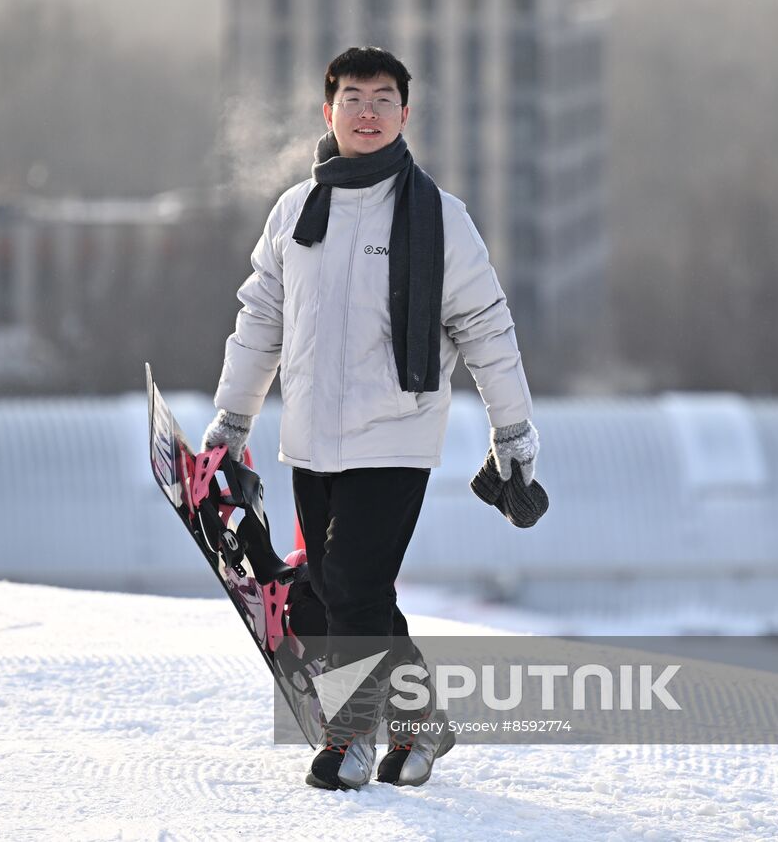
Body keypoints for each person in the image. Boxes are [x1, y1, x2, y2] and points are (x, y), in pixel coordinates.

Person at [202, 46, 540, 790]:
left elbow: (485, 325)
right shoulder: (295, 211)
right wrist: (233, 417)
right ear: (329, 112)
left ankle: (349, 737)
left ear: (404, 114)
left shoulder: (440, 218)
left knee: (353, 580)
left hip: (397, 435)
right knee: (338, 594)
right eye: (352, 97)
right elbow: (261, 317)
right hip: (312, 441)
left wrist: (511, 428)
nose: (367, 111)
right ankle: (421, 726)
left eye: (383, 98)